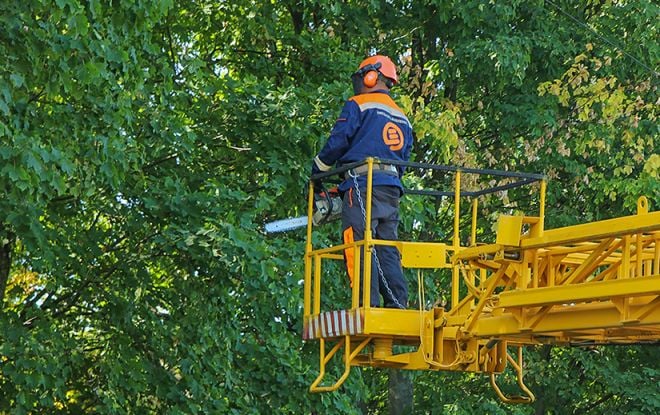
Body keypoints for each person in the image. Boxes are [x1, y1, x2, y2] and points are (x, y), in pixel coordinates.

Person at [311, 55, 414, 309]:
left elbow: (338, 142)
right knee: (385, 244)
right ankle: (397, 303)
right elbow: (404, 156)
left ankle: (366, 304)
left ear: (370, 76)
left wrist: (317, 171)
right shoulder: (403, 118)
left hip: (361, 184)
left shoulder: (358, 104)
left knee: (357, 242)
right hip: (391, 188)